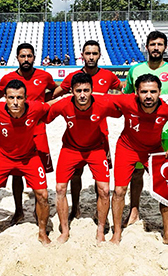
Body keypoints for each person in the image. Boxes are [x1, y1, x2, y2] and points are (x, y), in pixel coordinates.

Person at [123, 30, 168, 226]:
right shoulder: (134, 71)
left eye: (160, 45)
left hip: (164, 133)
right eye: (152, 44)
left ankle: (166, 222)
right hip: (137, 134)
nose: (156, 48)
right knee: (136, 174)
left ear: (165, 47)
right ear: (146, 47)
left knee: (163, 177)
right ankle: (134, 211)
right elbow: (126, 98)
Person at [109, 74, 168, 248]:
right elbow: (100, 100)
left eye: (153, 91)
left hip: (154, 150)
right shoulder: (126, 101)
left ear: (160, 92)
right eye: (144, 91)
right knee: (119, 190)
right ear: (136, 92)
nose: (149, 96)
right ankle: (116, 233)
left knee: (167, 191)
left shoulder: (167, 108)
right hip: (127, 148)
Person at [0, 43, 56, 224]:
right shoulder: (8, 78)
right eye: (23, 56)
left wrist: (41, 103)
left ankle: (36, 212)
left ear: (34, 57)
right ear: (17, 58)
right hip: (15, 129)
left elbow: (54, 91)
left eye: (29, 56)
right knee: (16, 172)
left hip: (37, 130)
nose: (26, 59)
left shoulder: (44, 75)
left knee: (37, 174)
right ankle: (18, 210)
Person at [46, 73, 121, 243]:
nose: (82, 94)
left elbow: (124, 107)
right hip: (71, 149)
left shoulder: (103, 103)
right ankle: (64, 231)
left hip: (96, 149)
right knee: (60, 189)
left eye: (86, 90)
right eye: (78, 90)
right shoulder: (63, 104)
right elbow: (44, 115)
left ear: (92, 91)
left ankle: (101, 229)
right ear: (71, 91)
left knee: (103, 190)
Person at [53, 40, 121, 223]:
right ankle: (75, 207)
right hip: (76, 134)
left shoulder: (108, 76)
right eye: (88, 53)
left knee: (102, 181)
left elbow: (123, 92)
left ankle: (101, 216)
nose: (91, 57)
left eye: (94, 53)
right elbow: (55, 94)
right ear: (82, 55)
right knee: (76, 174)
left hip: (101, 135)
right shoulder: (73, 77)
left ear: (99, 55)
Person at [0, 80, 52, 245]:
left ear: (25, 98)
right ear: (4, 97)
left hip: (29, 156)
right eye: (11, 97)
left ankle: (42, 232)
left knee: (43, 195)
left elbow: (51, 108)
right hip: (3, 156)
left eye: (19, 98)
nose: (15, 102)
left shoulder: (36, 108)